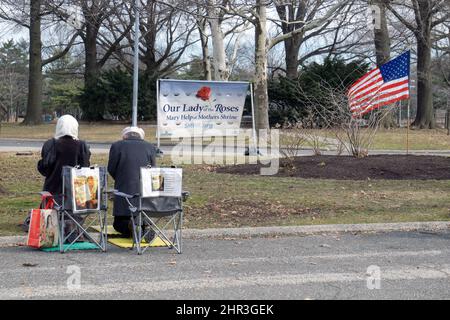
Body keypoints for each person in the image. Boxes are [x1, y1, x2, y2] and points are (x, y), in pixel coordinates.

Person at [37, 114, 91, 241]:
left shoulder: (51, 144)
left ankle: (54, 229)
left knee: (51, 207)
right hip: (76, 191)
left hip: (53, 189)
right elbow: (85, 168)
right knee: (72, 209)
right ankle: (72, 228)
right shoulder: (82, 145)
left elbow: (45, 167)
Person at [108, 126, 157, 241]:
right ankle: (144, 226)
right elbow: (153, 170)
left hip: (124, 192)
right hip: (144, 195)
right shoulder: (150, 146)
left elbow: (111, 168)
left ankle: (131, 226)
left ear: (125, 136)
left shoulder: (117, 145)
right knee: (141, 215)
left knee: (118, 224)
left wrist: (120, 178)